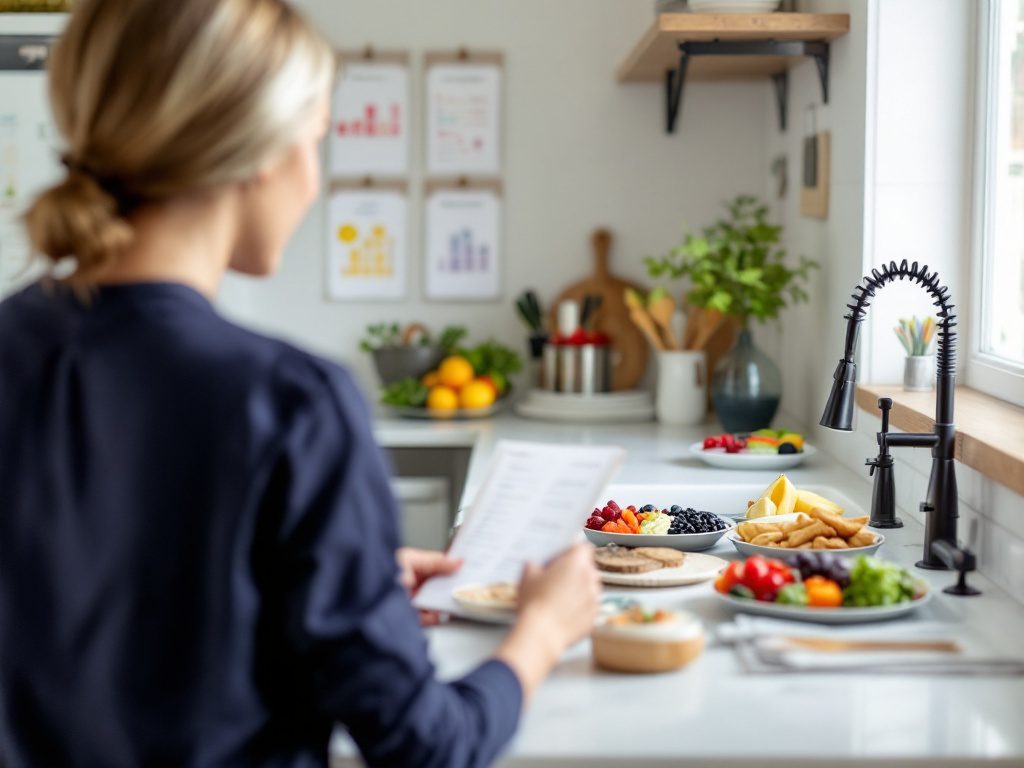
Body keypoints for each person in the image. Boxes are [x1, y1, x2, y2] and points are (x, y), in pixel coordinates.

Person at [0, 1, 601, 766]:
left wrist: (329, 574)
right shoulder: (292, 400)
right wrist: (542, 632)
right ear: (256, 150)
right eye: (316, 142)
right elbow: (425, 745)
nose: (315, 182)